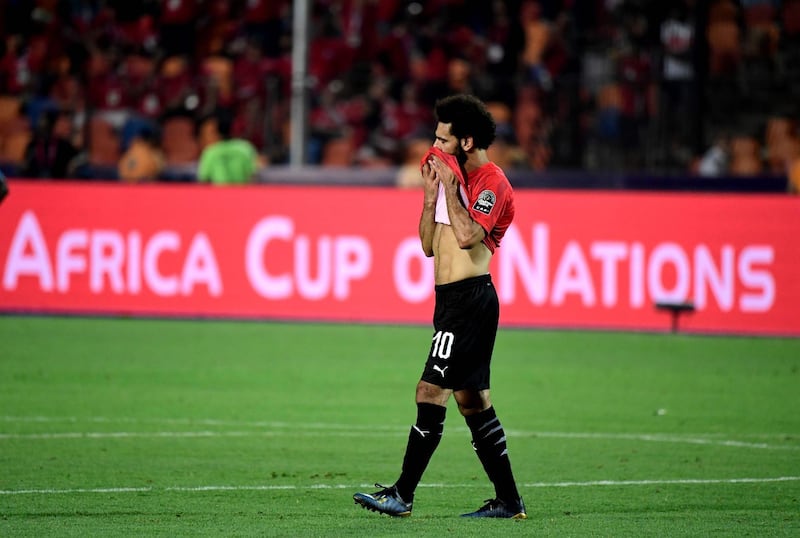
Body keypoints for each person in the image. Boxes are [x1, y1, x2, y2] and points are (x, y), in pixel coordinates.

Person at [353, 94, 525, 519]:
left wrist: (449, 185)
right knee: (473, 401)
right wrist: (431, 197)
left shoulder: (491, 182)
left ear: (466, 141)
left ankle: (402, 494)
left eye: (441, 138)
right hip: (449, 300)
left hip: (470, 301)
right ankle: (508, 501)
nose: (434, 146)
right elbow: (430, 246)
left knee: (429, 390)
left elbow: (469, 238)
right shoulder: (454, 179)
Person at [197, 112, 259, 184]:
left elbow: (203, 181)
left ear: (218, 131)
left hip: (217, 194)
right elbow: (253, 177)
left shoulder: (210, 152)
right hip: (243, 194)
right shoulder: (246, 148)